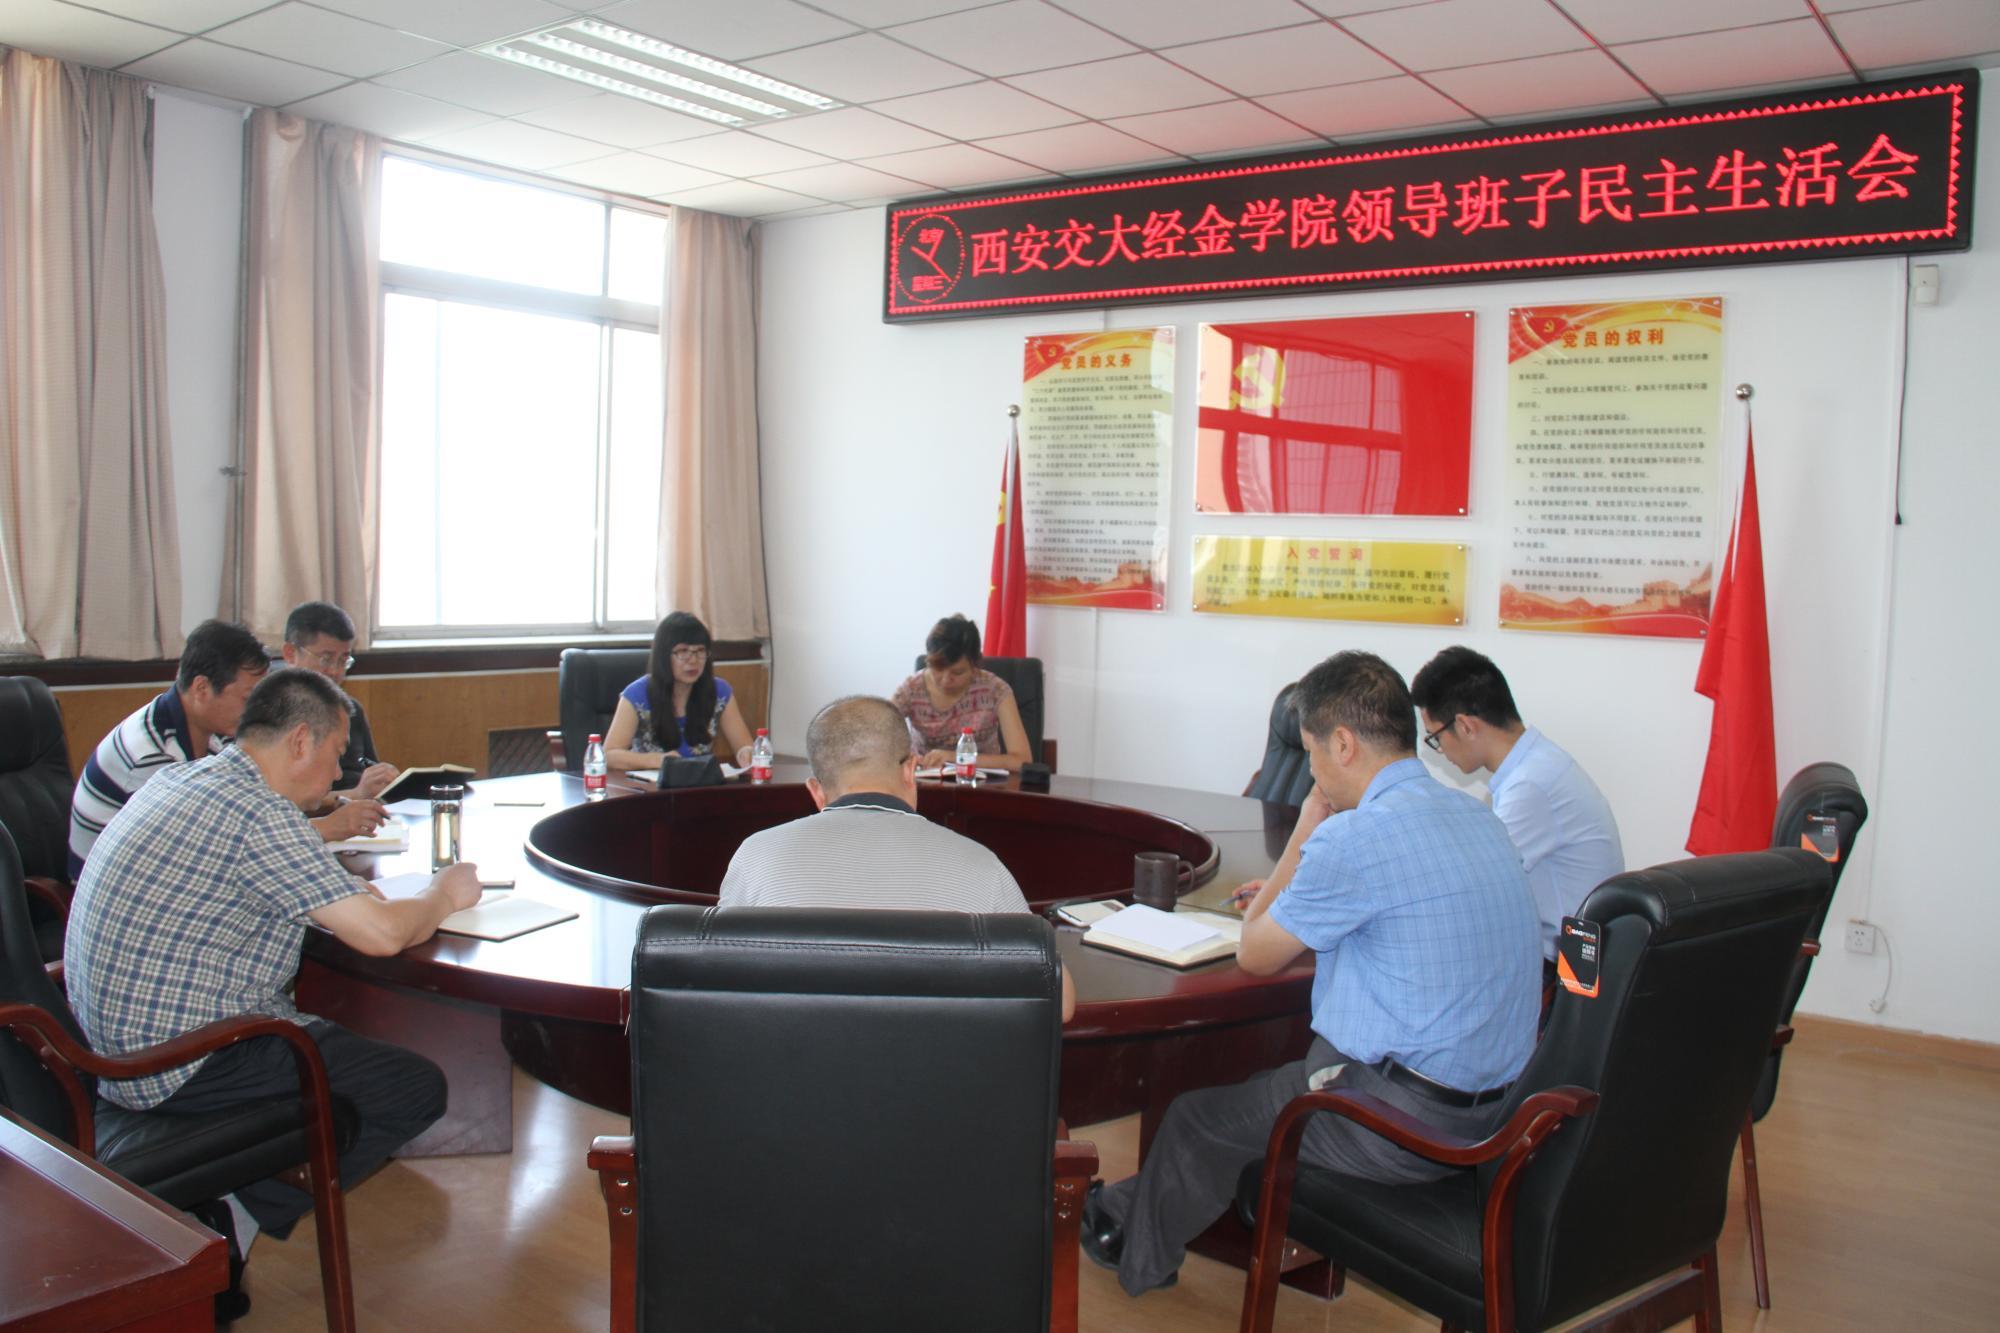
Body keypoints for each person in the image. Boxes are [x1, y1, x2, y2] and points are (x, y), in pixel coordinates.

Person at [1083, 651, 1541, 1296]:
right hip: (1500, 1116)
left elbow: (1254, 953)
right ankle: (1119, 1212)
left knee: (1195, 1119)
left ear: (1343, 744)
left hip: (1398, 1125)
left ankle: (1136, 1254)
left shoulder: (1355, 838)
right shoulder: (1479, 818)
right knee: (1258, 1092)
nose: (1313, 772)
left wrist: (1304, 829)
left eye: (1311, 753)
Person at [62, 669, 482, 1302]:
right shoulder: (257, 813)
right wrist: (443, 893)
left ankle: (220, 1198)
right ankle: (229, 1213)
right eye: (336, 755)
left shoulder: (191, 779)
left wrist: (349, 891)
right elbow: (381, 937)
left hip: (101, 1046)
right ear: (300, 741)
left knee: (342, 1062)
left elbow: (256, 874)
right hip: (181, 1060)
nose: (337, 775)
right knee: (412, 1088)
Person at [718, 694, 1074, 1020]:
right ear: (910, 770)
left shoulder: (755, 855)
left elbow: (720, 979)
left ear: (815, 790)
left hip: (788, 1062)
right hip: (938, 1067)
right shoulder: (980, 865)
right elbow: (1060, 1002)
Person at [1410, 645, 1624, 966]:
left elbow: (1470, 886)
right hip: (1568, 955)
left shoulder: (1530, 786)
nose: (1439, 750)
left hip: (1565, 970)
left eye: (1435, 738)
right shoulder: (1537, 764)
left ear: (1466, 726)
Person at [68, 619, 272, 877]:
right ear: (201, 688)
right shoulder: (151, 755)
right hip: (113, 886)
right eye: (248, 698)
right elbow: (191, 850)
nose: (255, 709)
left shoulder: (214, 730)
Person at [603, 612, 754, 771]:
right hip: (652, 783)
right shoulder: (636, 695)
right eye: (682, 651)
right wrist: (655, 760)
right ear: (663, 656)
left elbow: (744, 746)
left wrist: (747, 752)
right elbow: (609, 755)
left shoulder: (720, 692)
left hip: (701, 783)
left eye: (700, 651)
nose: (693, 660)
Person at [280, 600, 397, 800]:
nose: (335, 671)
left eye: (343, 660)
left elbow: (370, 769)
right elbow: (281, 801)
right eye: (326, 659)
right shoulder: (271, 714)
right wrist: (355, 795)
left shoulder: (350, 710)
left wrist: (383, 779)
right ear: (290, 654)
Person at [891, 614, 1032, 773]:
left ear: (975, 666)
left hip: (982, 782)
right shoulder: (911, 689)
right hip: (924, 780)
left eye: (957, 672)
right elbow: (877, 735)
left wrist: (955, 757)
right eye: (937, 669)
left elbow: (1021, 760)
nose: (946, 680)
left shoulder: (995, 690)